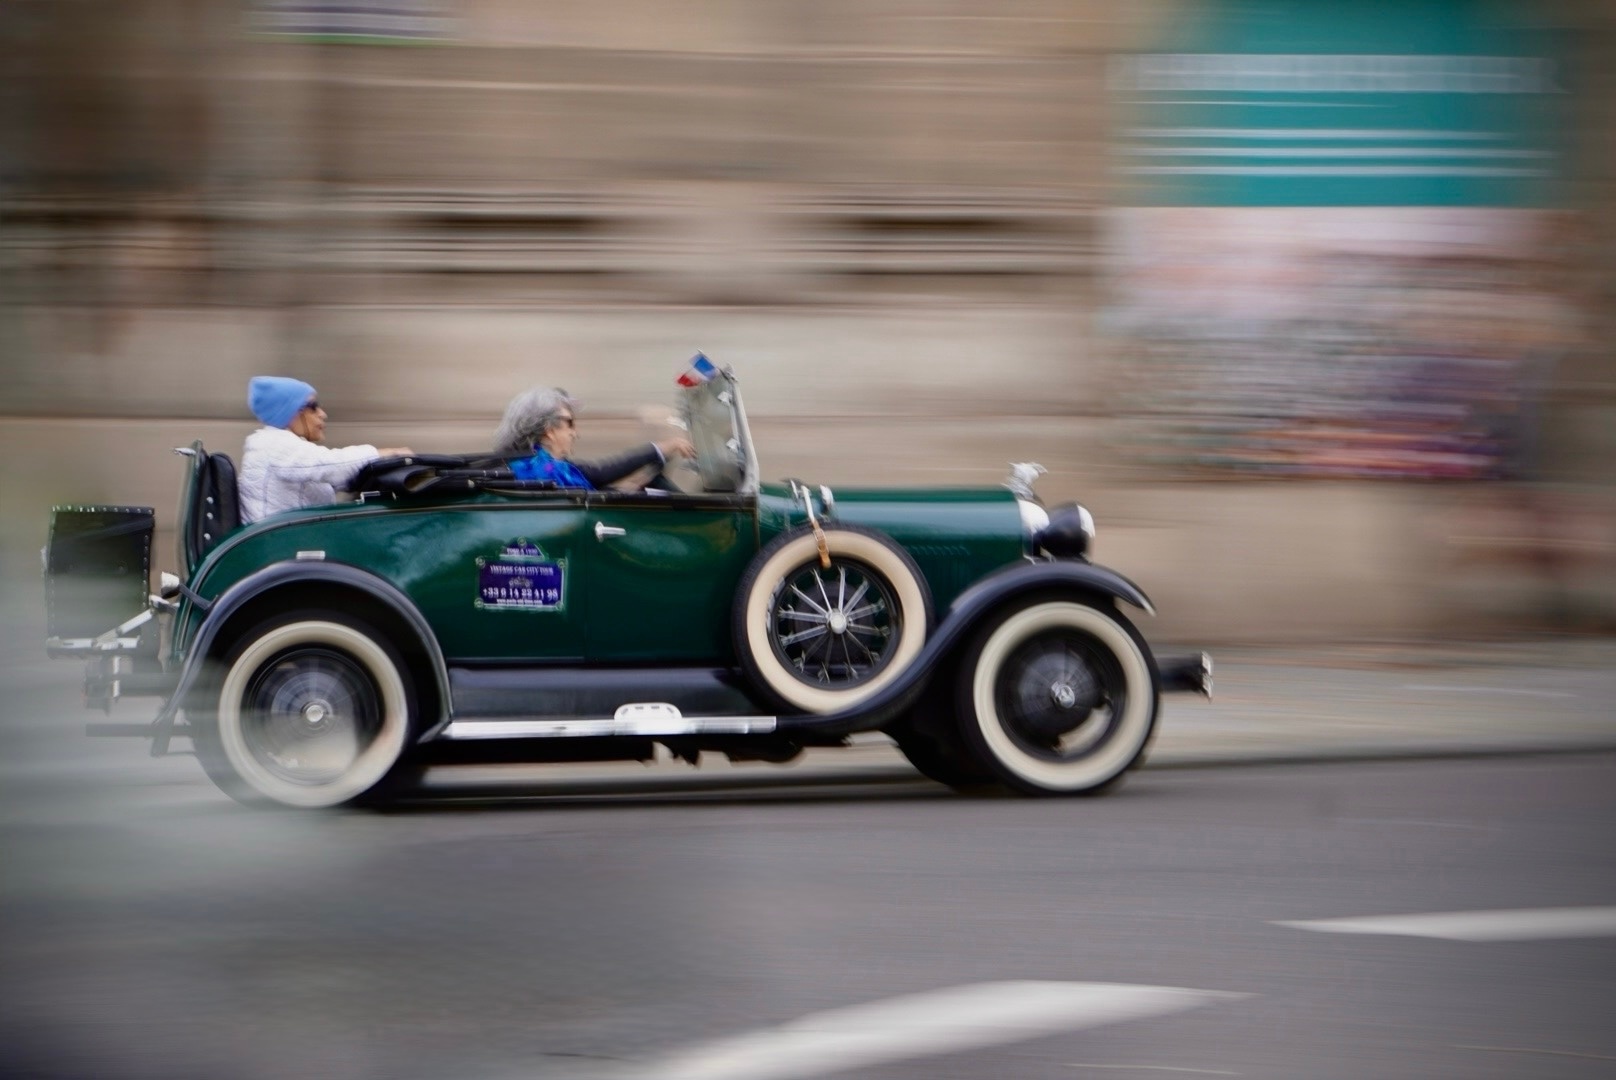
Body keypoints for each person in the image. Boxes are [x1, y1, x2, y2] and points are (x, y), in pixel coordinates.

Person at [238, 376, 413, 523]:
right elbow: (330, 465)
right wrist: (383, 454)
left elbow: (329, 478)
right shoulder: (273, 444)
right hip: (276, 547)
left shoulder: (282, 446)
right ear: (289, 411)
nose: (323, 414)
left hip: (286, 540)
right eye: (313, 406)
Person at [492, 386, 693, 489]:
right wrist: (663, 447)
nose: (575, 433)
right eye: (569, 423)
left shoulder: (537, 465)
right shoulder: (541, 469)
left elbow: (594, 476)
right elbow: (597, 473)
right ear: (549, 430)